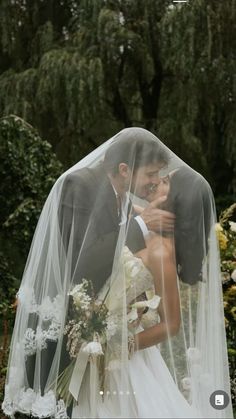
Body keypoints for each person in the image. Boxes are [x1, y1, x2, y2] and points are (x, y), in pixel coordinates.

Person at [2, 128, 233, 419]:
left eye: (161, 177)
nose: (154, 182)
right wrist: (140, 225)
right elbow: (81, 265)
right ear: (124, 169)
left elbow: (120, 275)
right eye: (151, 174)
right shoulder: (78, 185)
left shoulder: (122, 196)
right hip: (61, 332)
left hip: (103, 344)